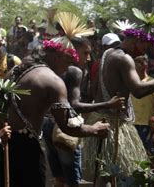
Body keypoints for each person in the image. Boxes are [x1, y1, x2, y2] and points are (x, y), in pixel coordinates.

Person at [0, 12, 110, 186]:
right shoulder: (53, 82)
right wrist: (94, 129)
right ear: (57, 57)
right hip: (26, 152)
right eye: (68, 62)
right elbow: (67, 125)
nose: (67, 69)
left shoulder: (16, 71)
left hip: (2, 144)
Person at [41, 13, 124, 187]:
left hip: (48, 124)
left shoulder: (55, 67)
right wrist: (108, 104)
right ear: (73, 50)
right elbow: (75, 105)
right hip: (64, 129)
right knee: (72, 180)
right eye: (85, 53)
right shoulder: (75, 71)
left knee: (59, 178)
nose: (88, 57)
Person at [82, 27, 154, 182]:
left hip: (100, 120)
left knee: (103, 175)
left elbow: (94, 88)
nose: (144, 52)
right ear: (133, 41)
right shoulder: (124, 59)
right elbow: (138, 90)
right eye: (143, 46)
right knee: (126, 176)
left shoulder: (106, 54)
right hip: (113, 125)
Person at [131, 55, 154, 156]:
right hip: (132, 124)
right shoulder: (130, 83)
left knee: (150, 154)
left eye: (138, 62)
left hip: (148, 124)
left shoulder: (152, 83)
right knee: (134, 154)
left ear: (145, 64)